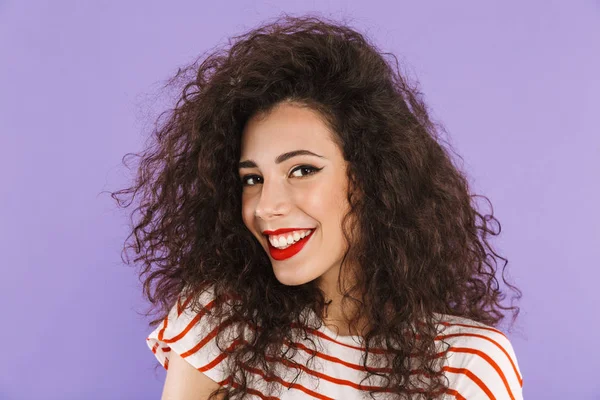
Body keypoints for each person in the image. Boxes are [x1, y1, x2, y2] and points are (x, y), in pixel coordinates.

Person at [113, 14, 523, 399]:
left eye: (302, 170)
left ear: (369, 178)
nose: (265, 207)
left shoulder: (465, 366)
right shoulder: (218, 321)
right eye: (252, 179)